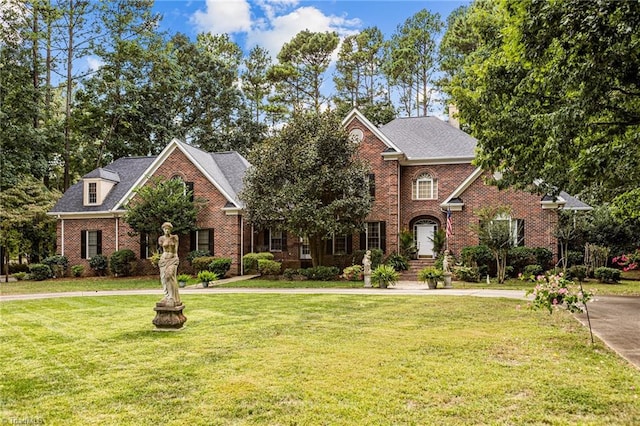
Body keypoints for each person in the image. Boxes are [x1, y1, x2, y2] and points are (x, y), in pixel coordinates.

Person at [158, 222, 180, 306]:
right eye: (165, 229)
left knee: (170, 276)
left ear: (170, 230)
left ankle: (172, 297)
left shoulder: (174, 238)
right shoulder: (161, 239)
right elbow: (161, 249)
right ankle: (166, 296)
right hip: (164, 259)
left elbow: (176, 250)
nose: (166, 230)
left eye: (168, 229)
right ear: (163, 230)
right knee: (163, 278)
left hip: (173, 259)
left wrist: (176, 258)